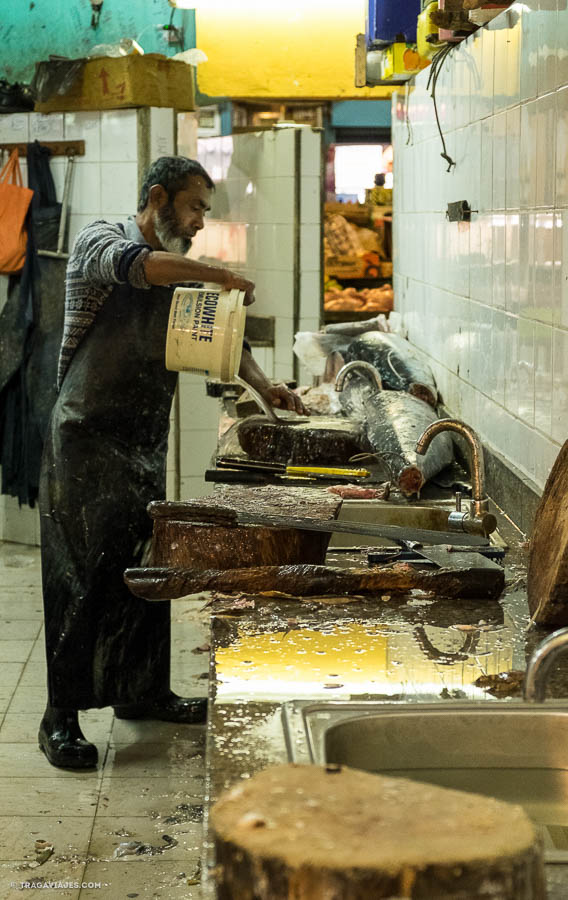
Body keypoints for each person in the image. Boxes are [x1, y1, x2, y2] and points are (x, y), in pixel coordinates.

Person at [38, 155, 307, 769]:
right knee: (80, 574)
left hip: (141, 437)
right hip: (84, 435)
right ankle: (60, 717)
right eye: (193, 208)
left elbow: (217, 342)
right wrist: (219, 274)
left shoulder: (179, 272)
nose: (199, 223)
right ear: (157, 198)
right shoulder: (99, 241)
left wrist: (265, 388)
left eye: (204, 214)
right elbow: (138, 268)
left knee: (143, 563)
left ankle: (143, 691)